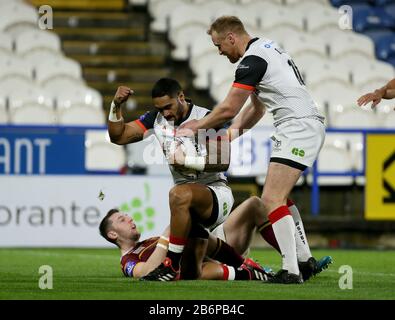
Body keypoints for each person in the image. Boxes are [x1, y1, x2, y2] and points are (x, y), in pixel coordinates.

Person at [177, 16, 328, 284]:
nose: (219, 51)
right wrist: (229, 136)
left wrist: (196, 126)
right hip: (302, 124)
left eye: (219, 45)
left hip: (298, 126)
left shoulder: (251, 61)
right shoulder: (268, 49)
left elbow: (228, 108)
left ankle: (291, 270)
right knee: (278, 196)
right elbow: (257, 108)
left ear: (231, 37)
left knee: (270, 199)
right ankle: (304, 259)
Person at [108, 78, 245, 281]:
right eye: (160, 109)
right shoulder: (157, 119)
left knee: (178, 194)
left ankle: (169, 264)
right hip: (184, 203)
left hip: (216, 194)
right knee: (191, 272)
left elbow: (223, 162)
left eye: (168, 107)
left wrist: (187, 160)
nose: (165, 113)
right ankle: (244, 268)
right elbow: (118, 136)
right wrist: (116, 106)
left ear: (181, 97)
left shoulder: (207, 118)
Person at [98, 198, 273, 281]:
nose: (130, 219)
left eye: (127, 216)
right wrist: (168, 234)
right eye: (122, 220)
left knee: (254, 204)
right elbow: (145, 273)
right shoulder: (128, 260)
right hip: (201, 261)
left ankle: (292, 261)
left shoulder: (150, 240)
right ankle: (246, 269)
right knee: (186, 228)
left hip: (217, 249)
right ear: (113, 235)